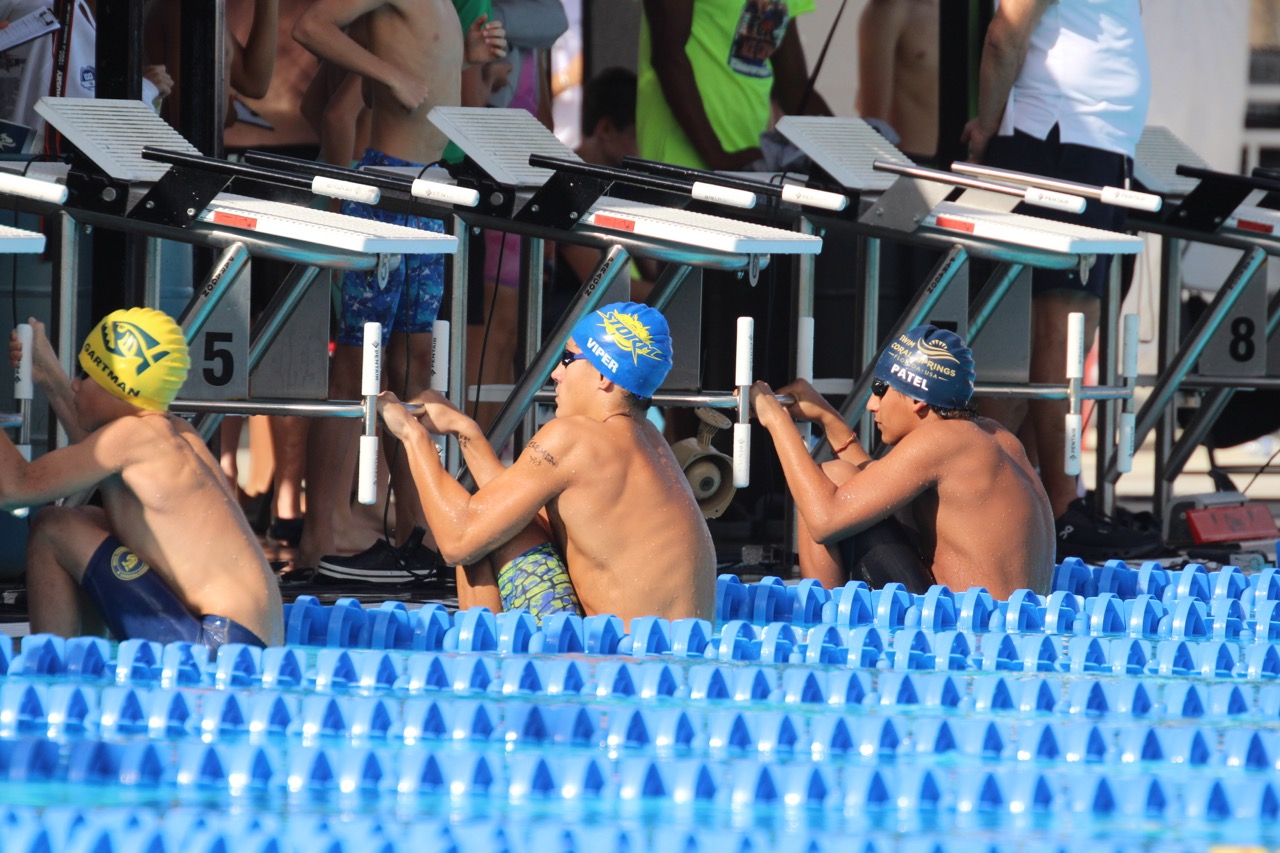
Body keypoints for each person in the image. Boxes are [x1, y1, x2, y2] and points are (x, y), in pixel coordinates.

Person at [290, 0, 507, 575]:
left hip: (429, 192)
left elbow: (431, 84)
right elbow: (310, 26)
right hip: (385, 187)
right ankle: (316, 539)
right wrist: (386, 74)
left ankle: (416, 535)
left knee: (415, 365)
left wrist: (468, 60)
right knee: (354, 365)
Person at [960, 0, 1159, 562]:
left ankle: (1024, 499)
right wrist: (987, 129)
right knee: (1061, 329)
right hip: (1055, 140)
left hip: (1090, 143)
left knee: (1063, 332)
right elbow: (1005, 33)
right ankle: (1062, 505)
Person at [377, 302, 717, 627]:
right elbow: (512, 510)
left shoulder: (575, 438)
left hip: (608, 662)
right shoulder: (652, 443)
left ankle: (484, 658)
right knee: (498, 521)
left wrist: (412, 436)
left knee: (479, 542)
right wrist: (466, 432)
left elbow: (457, 541)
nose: (556, 373)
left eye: (568, 359)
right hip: (670, 657)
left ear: (603, 375)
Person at [2, 309, 283, 648]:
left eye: (86, 375)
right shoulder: (172, 432)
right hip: (246, 645)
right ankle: (83, 659)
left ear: (118, 387)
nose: (75, 384)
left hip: (216, 646)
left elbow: (15, 488)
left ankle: (55, 669)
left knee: (52, 527)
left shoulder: (132, 438)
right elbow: (95, 451)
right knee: (89, 520)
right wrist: (49, 375)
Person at [750, 325, 1054, 600]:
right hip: (1007, 626)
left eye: (881, 390)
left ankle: (819, 619)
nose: (872, 404)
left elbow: (824, 520)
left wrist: (776, 420)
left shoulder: (942, 440)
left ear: (917, 399)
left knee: (829, 478)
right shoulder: (993, 436)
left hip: (960, 629)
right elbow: (879, 487)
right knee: (845, 482)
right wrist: (828, 418)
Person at [636, 0, 831, 171]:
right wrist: (717, 157)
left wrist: (844, 152)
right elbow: (668, 57)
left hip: (748, 169)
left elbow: (794, 89)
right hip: (679, 165)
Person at [854, 0, 938, 161]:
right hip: (908, 166)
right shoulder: (889, 10)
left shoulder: (973, 10)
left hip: (971, 167)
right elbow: (873, 123)